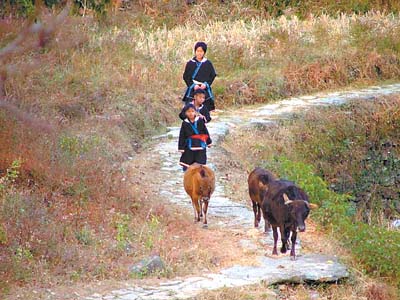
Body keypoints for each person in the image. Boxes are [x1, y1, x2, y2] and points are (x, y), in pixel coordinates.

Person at [182, 41, 217, 112]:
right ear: (195, 51)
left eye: (201, 51)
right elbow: (186, 76)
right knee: (191, 109)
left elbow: (212, 75)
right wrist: (192, 85)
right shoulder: (190, 63)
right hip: (193, 88)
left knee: (205, 109)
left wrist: (206, 84)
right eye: (197, 51)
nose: (199, 53)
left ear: (204, 52)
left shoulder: (208, 63)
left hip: (204, 88)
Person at [178, 103, 212, 171]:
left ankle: (199, 179)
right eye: (188, 111)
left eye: (192, 111)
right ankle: (188, 177)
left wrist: (209, 142)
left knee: (200, 165)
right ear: (185, 113)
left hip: (200, 146)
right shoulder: (185, 123)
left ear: (195, 112)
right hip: (189, 147)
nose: (191, 113)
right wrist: (181, 148)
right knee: (187, 164)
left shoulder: (200, 121)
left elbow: (205, 131)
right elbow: (182, 136)